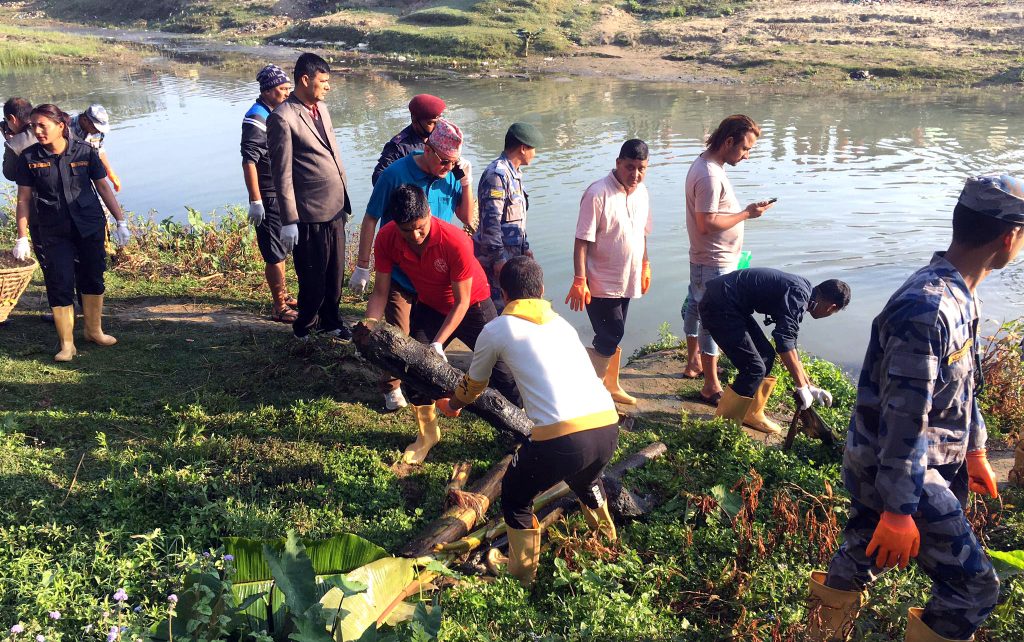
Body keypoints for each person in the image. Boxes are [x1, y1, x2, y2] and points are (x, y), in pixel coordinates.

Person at [809, 175, 1023, 642]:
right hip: (903, 470)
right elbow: (903, 419)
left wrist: (974, 449)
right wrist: (900, 511)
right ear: (1009, 237)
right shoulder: (927, 308)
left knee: (864, 549)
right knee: (975, 589)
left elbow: (960, 387)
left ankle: (820, 633)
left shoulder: (959, 292)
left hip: (905, 465)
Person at [435, 256, 620, 586]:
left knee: (516, 496)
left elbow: (475, 385)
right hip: (607, 426)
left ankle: (522, 577)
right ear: (543, 290)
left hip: (562, 439)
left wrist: (452, 404)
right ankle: (607, 539)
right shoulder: (562, 324)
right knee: (586, 478)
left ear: (503, 294)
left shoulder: (495, 329)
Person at [362, 184, 520, 465]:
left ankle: (519, 432)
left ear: (430, 213)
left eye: (420, 227)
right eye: (406, 230)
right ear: (395, 225)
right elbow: (380, 292)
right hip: (432, 305)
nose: (415, 235)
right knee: (412, 365)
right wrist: (370, 325)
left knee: (503, 371)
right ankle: (427, 434)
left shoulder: (455, 240)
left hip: (473, 305)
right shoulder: (386, 238)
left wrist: (438, 343)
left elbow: (461, 302)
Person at [352, 118, 475, 410]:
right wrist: (362, 265)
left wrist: (466, 181)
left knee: (426, 336)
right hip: (402, 272)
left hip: (436, 274)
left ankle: (423, 385)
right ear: (427, 148)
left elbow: (468, 219)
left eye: (453, 162)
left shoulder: (451, 175)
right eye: (444, 161)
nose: (448, 167)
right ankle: (391, 387)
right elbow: (371, 216)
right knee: (399, 330)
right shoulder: (395, 174)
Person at [10, 104, 131, 360]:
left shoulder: (85, 151)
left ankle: (94, 331)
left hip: (89, 225)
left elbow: (103, 188)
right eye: (34, 126)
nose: (38, 131)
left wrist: (120, 221)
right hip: (53, 230)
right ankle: (67, 344)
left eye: (43, 125)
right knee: (60, 281)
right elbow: (23, 200)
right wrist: (22, 236)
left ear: (61, 126)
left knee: (93, 277)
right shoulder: (29, 158)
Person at [683, 114, 774, 405]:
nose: (746, 156)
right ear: (729, 141)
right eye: (745, 149)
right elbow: (706, 223)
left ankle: (696, 363)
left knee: (698, 308)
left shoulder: (708, 166)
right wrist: (747, 213)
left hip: (709, 257)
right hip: (714, 260)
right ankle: (711, 384)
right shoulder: (709, 174)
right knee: (714, 319)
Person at [698, 269, 850, 433]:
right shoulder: (799, 295)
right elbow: (783, 341)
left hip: (730, 303)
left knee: (766, 355)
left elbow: (790, 341)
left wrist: (809, 385)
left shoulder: (803, 292)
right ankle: (723, 427)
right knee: (754, 368)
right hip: (719, 305)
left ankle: (752, 413)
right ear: (831, 307)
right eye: (834, 312)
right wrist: (800, 386)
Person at [268, 53, 352, 340]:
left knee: (335, 274)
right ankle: (304, 329)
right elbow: (282, 174)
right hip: (309, 213)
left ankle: (332, 321)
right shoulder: (283, 117)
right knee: (313, 278)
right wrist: (288, 219)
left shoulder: (321, 109)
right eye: (323, 81)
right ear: (305, 79)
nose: (328, 86)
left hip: (335, 208)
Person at [565, 139, 652, 406]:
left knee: (616, 331)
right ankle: (587, 394)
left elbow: (642, 234)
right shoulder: (597, 193)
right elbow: (582, 240)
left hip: (628, 277)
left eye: (641, 168)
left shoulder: (642, 192)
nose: (635, 174)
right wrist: (580, 279)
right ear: (617, 163)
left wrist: (646, 263)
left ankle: (610, 385)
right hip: (600, 281)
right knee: (610, 333)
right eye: (629, 167)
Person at [241, 64, 297, 323]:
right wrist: (256, 200)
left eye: (288, 88)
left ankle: (285, 296)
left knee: (283, 250)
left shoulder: (274, 113)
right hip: (268, 195)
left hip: (281, 192)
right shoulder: (256, 119)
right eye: (282, 89)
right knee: (275, 252)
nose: (287, 93)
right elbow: (249, 161)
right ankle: (279, 306)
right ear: (267, 91)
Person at [473, 122, 543, 312]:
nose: (534, 154)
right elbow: (491, 221)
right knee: (498, 310)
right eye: (533, 148)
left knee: (515, 308)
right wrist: (497, 259)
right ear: (523, 148)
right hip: (497, 260)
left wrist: (525, 248)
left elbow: (516, 218)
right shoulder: (497, 175)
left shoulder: (515, 175)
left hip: (513, 256)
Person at [370, 94, 446, 186]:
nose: (436, 127)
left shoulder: (441, 139)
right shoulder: (399, 147)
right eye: (430, 123)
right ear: (415, 121)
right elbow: (378, 178)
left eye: (437, 122)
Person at [69, 104, 121, 193]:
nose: (98, 131)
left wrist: (109, 170)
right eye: (96, 127)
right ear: (85, 120)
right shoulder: (67, 128)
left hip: (89, 167)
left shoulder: (98, 132)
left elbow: (99, 150)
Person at [3, 97, 35, 182]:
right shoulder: (46, 128)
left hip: (36, 193)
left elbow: (9, 175)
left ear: (12, 118)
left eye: (6, 120)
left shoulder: (13, 144)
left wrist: (10, 141)